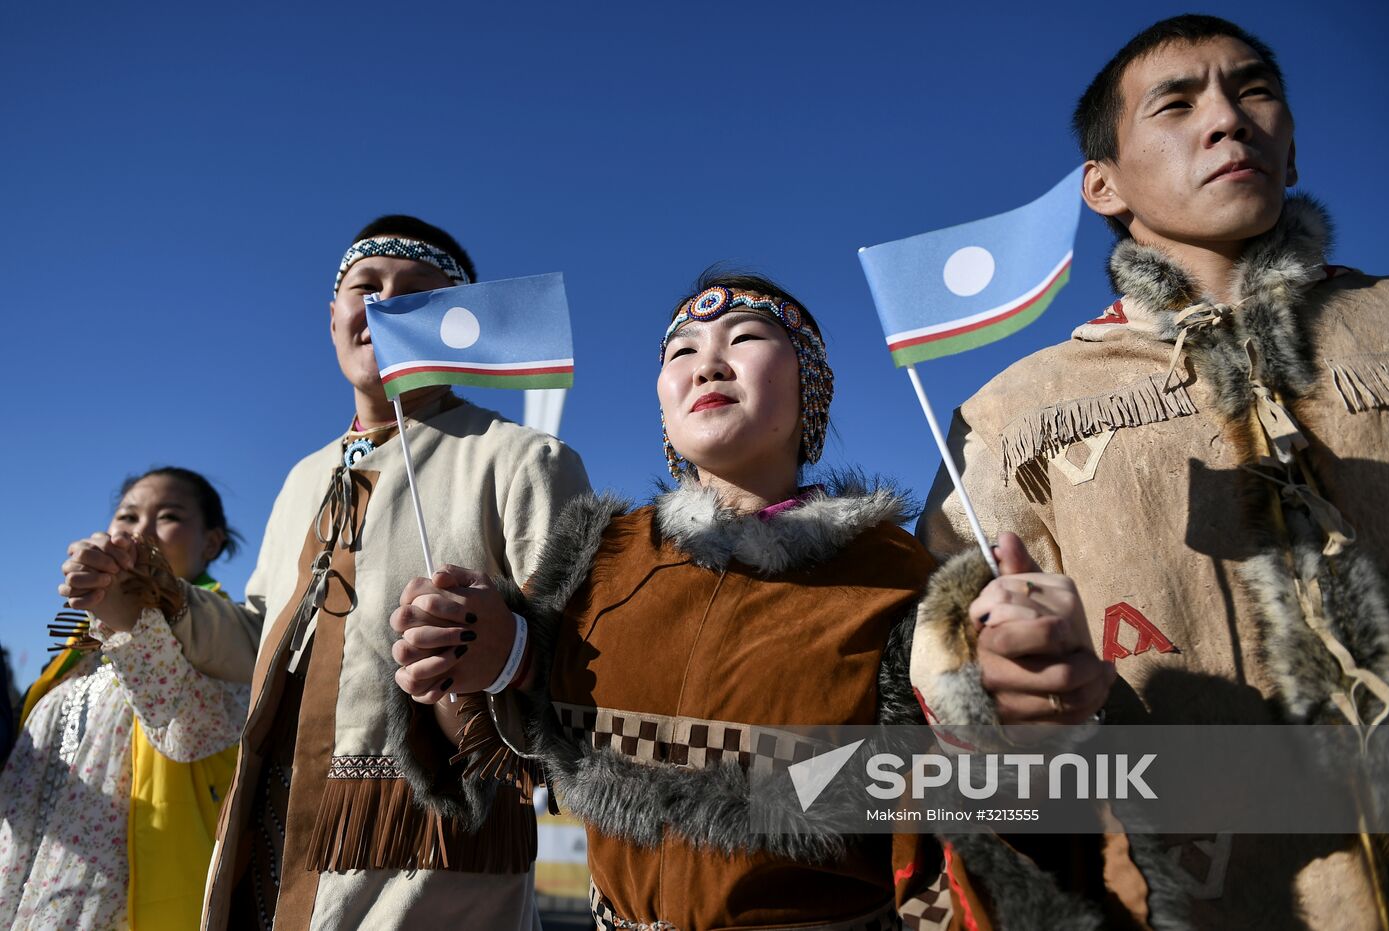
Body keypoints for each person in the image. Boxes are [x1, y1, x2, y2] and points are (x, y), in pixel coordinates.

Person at [391, 270, 1123, 929]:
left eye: (745, 337)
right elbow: (530, 759)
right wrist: (495, 655)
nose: (708, 361)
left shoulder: (898, 577)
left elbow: (952, 814)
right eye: (681, 351)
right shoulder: (597, 562)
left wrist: (999, 711)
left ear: (810, 384)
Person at [918, 14, 1389, 929]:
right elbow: (942, 672)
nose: (1228, 120)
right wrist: (1000, 689)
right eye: (1176, 104)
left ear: (1291, 145)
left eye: (1254, 91)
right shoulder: (1017, 413)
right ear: (1104, 185)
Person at [146, 215, 587, 930]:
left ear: (461, 324)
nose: (387, 305)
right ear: (333, 316)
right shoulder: (300, 478)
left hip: (428, 868)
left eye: (418, 292)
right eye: (367, 286)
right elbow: (253, 642)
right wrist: (157, 594)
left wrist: (506, 653)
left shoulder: (522, 460)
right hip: (266, 845)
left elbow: (578, 676)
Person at [0, 467, 248, 931]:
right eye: (128, 516)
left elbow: (185, 726)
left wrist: (124, 612)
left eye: (168, 515)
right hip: (28, 884)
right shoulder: (73, 656)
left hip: (125, 901)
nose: (140, 531)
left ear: (211, 543)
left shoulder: (227, 642)